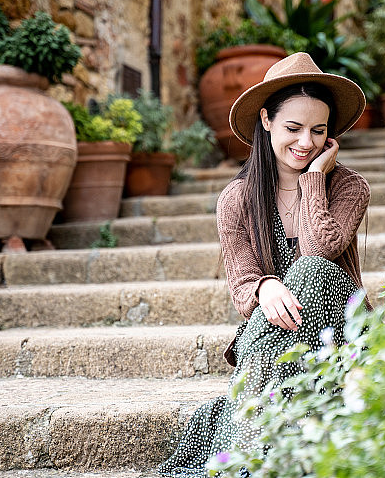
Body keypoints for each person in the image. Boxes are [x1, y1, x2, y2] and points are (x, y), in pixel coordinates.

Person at [157, 52, 371, 477]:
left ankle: (247, 452)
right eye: (293, 128)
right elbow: (242, 288)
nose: (305, 143)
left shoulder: (348, 187)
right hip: (277, 337)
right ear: (267, 121)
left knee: (311, 271)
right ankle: (256, 449)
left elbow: (318, 249)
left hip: (341, 332)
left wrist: (314, 179)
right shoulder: (235, 200)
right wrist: (263, 287)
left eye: (318, 131)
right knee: (271, 308)